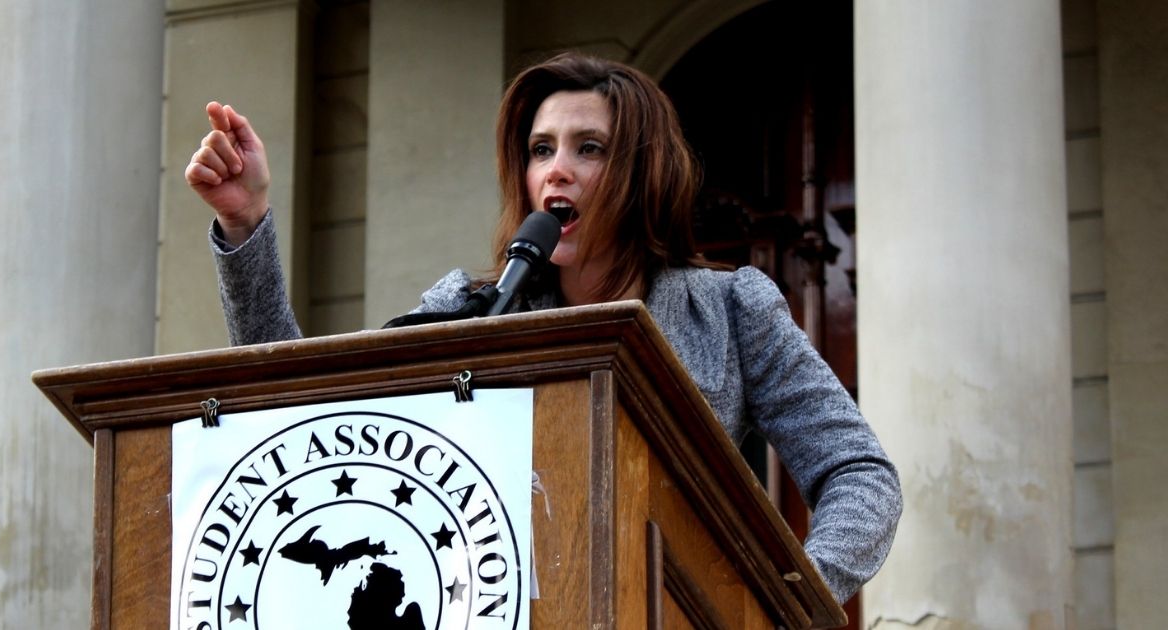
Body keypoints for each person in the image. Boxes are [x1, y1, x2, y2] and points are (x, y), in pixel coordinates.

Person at [186, 52, 901, 604]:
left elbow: (859, 473)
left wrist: (781, 600)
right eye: (541, 150)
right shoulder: (468, 307)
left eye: (589, 148)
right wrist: (243, 222)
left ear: (642, 172)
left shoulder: (730, 308)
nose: (558, 171)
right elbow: (311, 414)